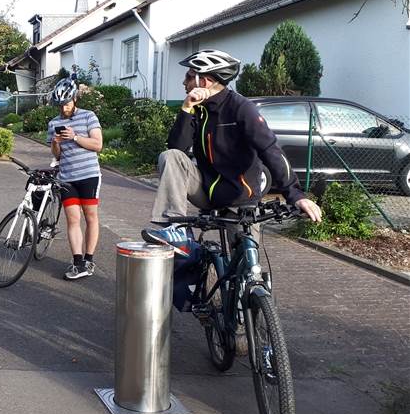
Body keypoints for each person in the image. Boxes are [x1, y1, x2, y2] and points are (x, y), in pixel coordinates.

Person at [142, 48, 322, 257]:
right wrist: (186, 108)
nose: (184, 82)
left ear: (205, 81)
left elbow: (269, 149)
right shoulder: (197, 108)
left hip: (240, 198)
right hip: (206, 190)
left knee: (246, 265)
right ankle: (177, 232)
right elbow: (177, 148)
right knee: (170, 156)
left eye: (189, 77)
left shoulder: (240, 108)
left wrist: (295, 195)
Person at [46, 78, 104, 280]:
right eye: (60, 105)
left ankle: (89, 258)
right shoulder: (54, 123)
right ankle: (78, 262)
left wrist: (75, 137)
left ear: (74, 99)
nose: (64, 108)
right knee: (72, 218)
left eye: (67, 103)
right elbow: (57, 155)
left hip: (88, 175)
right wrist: (55, 142)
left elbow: (97, 145)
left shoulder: (89, 116)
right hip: (66, 177)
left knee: (90, 216)